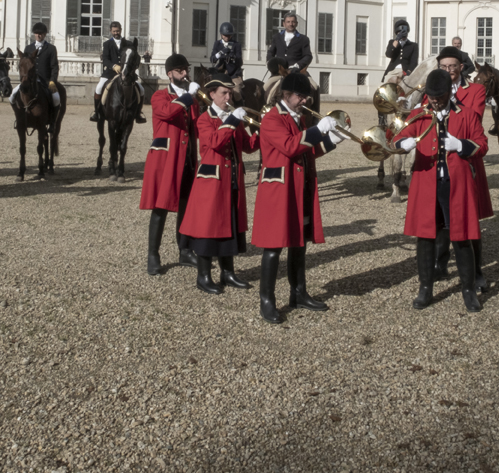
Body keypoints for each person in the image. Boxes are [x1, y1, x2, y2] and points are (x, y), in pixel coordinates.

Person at [253, 72, 345, 323]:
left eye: (307, 96)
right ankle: (267, 301)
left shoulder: (300, 118)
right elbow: (291, 146)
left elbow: (308, 151)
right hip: (278, 189)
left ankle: (298, 293)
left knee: (299, 243)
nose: (305, 100)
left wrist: (332, 140)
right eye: (300, 96)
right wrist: (317, 130)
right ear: (285, 95)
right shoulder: (273, 119)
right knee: (273, 247)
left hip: (299, 187)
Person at [394, 70, 488, 311]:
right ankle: (425, 288)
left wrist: (463, 145)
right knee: (425, 237)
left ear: (449, 93)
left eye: (439, 96)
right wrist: (401, 144)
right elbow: (395, 139)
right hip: (426, 184)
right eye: (431, 97)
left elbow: (482, 144)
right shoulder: (418, 115)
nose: (434, 101)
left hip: (456, 185)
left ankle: (468, 290)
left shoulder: (466, 115)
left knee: (461, 236)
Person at [178, 77, 260, 294]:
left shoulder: (233, 118)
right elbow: (214, 142)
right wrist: (232, 121)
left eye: (230, 94)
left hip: (232, 178)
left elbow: (247, 146)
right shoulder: (205, 119)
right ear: (212, 94)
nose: (228, 97)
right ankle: (203, 276)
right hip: (211, 180)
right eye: (224, 93)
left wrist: (262, 133)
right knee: (208, 228)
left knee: (230, 226)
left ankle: (228, 272)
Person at [432, 46, 492, 290]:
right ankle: (441, 263)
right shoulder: (432, 89)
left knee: (470, 220)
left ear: (461, 68)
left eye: (452, 67)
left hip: (466, 159)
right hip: (440, 162)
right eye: (443, 67)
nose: (448, 71)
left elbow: (474, 119)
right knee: (441, 217)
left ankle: (476, 272)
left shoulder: (476, 90)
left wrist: (446, 98)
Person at [139, 54, 202, 274]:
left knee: (185, 206)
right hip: (166, 159)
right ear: (170, 74)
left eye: (186, 69)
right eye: (180, 71)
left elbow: (198, 125)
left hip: (186, 158)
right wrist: (189, 96)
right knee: (161, 208)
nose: (185, 74)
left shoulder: (192, 99)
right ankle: (153, 255)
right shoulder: (159, 95)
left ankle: (184, 251)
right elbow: (166, 112)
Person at [92, 22, 145, 124]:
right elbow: (105, 59)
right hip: (110, 73)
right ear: (111, 31)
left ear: (121, 30)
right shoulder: (107, 44)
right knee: (99, 87)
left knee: (141, 89)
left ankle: (138, 113)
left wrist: (134, 67)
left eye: (118, 31)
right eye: (114, 31)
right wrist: (113, 66)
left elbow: (136, 57)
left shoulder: (129, 43)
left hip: (127, 73)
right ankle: (97, 112)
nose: (116, 33)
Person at [11, 22, 60, 118]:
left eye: (41, 33)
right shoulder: (28, 48)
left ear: (45, 34)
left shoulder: (51, 49)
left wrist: (52, 81)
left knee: (56, 98)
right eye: (37, 33)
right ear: (34, 34)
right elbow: (23, 65)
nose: (39, 35)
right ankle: (19, 117)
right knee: (12, 96)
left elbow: (54, 67)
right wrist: (23, 79)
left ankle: (53, 122)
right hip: (29, 81)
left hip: (47, 80)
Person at [265, 13, 313, 85]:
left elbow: (308, 56)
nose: (291, 24)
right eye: (288, 22)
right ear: (284, 24)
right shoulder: (276, 37)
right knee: (265, 87)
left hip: (297, 72)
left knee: (315, 86)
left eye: (293, 22)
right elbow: (271, 52)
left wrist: (297, 65)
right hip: (279, 72)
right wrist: (270, 63)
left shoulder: (304, 39)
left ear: (296, 23)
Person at [209, 22, 244, 97]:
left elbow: (240, 62)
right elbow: (212, 59)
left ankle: (239, 106)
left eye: (229, 35)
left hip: (234, 75)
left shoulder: (237, 45)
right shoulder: (217, 44)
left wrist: (233, 56)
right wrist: (220, 53)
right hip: (220, 74)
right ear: (221, 34)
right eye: (225, 35)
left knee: (236, 91)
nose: (227, 37)